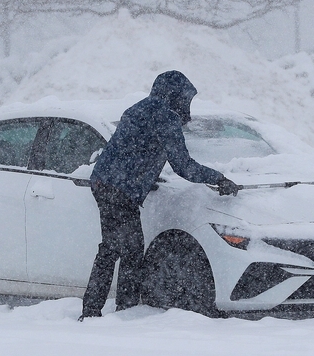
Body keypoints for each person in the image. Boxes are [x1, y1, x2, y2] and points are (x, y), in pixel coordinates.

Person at [80, 70, 240, 319]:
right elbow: (183, 165)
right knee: (124, 249)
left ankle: (105, 308)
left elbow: (133, 148)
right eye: (185, 99)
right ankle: (116, 309)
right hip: (121, 188)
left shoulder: (138, 109)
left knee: (117, 248)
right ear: (175, 96)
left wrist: (145, 177)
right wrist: (218, 178)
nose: (187, 105)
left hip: (106, 181)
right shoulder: (165, 117)